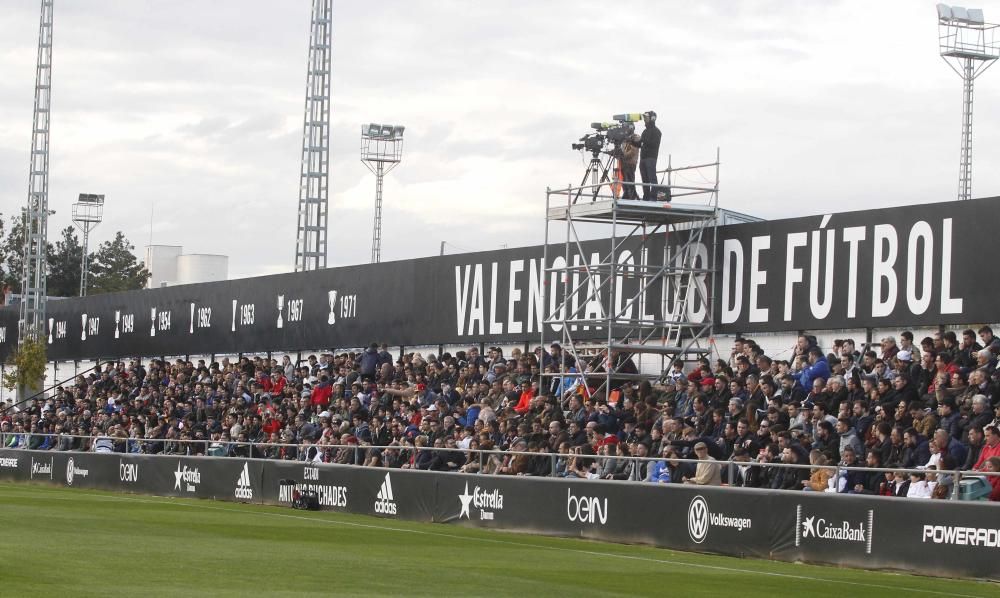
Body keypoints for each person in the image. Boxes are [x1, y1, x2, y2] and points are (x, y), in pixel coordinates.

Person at [638, 110, 662, 201]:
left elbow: (654, 144)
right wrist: (633, 140)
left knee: (652, 178)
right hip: (643, 158)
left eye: (646, 117)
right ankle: (646, 196)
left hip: (651, 158)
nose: (644, 119)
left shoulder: (657, 132)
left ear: (652, 118)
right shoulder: (644, 131)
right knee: (645, 179)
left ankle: (653, 197)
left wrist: (642, 140)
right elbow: (640, 144)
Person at [619, 134, 640, 200]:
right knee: (624, 180)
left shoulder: (635, 137)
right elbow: (623, 149)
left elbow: (633, 151)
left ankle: (632, 195)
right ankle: (627, 194)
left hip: (631, 163)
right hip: (624, 163)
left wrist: (623, 155)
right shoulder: (624, 139)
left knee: (630, 180)